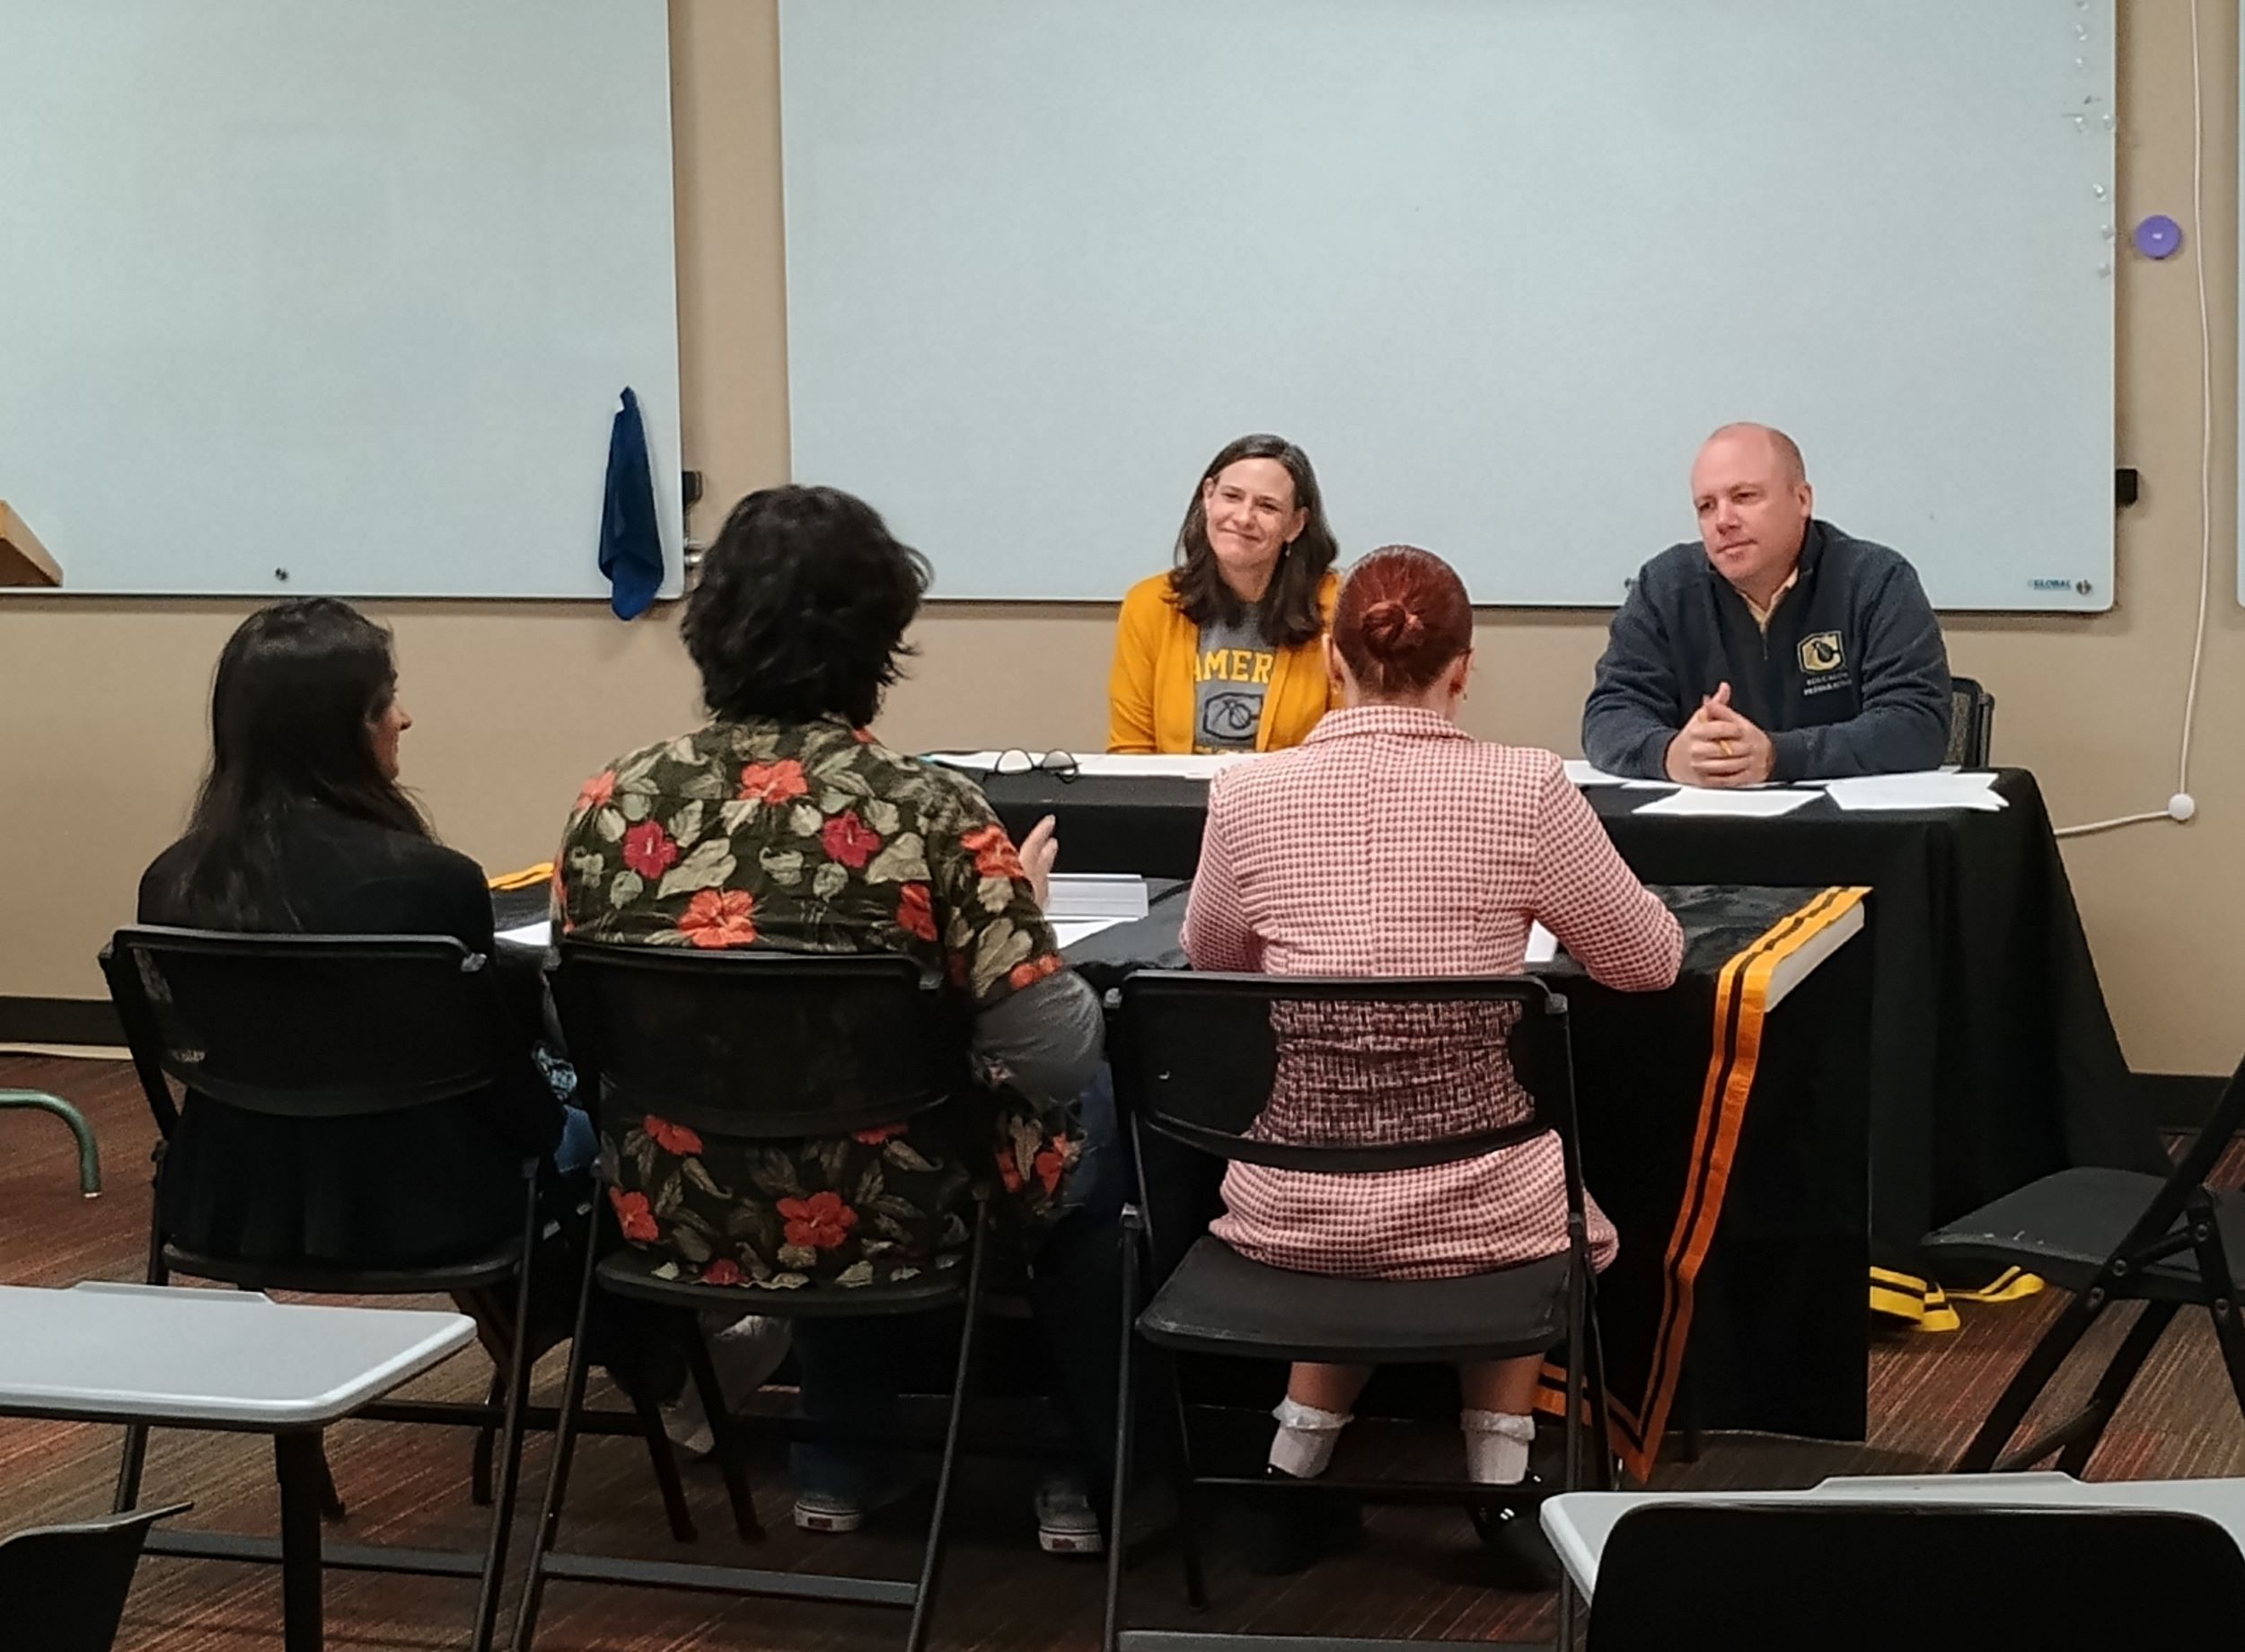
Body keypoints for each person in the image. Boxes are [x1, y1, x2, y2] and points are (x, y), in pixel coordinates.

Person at [553, 483, 1123, 1553]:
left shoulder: (610, 803)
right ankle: (1085, 1470)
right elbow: (1050, 1055)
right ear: (882, 636)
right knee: (1097, 1101)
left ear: (709, 625)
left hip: (674, 1204)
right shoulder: (935, 811)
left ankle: (836, 1460)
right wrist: (1028, 928)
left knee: (805, 1101)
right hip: (900, 1212)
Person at [1181, 546, 1684, 1508]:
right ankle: (1499, 1474)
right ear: (1464, 666)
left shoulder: (1245, 794)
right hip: (1484, 1208)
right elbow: (1647, 960)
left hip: (1295, 1205)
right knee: (1522, 1164)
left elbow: (1215, 962)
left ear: (1332, 661)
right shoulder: (1526, 789)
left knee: (1362, 1162)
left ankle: (1295, 1464)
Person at [136, 597, 591, 1268]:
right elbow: (503, 1093)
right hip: (430, 1204)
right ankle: (662, 1358)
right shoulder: (433, 883)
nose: (403, 719)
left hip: (228, 1195)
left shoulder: (168, 882)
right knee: (607, 1139)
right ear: (339, 730)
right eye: (386, 702)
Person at [1581, 423, 1951, 785]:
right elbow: (1610, 714)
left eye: (1744, 497)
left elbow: (1917, 724)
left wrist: (1779, 756)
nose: (1723, 521)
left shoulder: (1875, 580)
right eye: (1706, 506)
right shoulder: (1664, 588)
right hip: (1704, 832)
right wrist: (1668, 755)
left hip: (1850, 835)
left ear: (1802, 500)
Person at [1107, 432, 1341, 753]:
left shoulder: (1336, 608)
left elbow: (1346, 749)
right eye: (1232, 496)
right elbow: (1131, 749)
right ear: (1208, 496)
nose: (1244, 518)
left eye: (1267, 506)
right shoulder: (1149, 604)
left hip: (1289, 801)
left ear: (1295, 525)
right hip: (1176, 802)